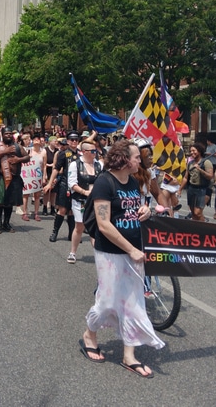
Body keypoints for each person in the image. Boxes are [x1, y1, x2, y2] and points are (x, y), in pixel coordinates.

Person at [78, 139, 164, 378]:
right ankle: (89, 335)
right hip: (110, 252)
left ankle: (129, 356)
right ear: (125, 160)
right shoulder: (104, 183)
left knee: (133, 303)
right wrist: (131, 250)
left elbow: (135, 208)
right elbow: (104, 224)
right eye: (136, 157)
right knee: (107, 302)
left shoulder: (134, 182)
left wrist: (145, 210)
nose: (140, 161)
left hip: (134, 249)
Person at [66, 139, 102, 264]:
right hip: (80, 200)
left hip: (96, 200)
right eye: (92, 151)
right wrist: (85, 192)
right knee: (79, 226)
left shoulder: (99, 164)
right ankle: (73, 252)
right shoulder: (75, 164)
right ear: (84, 151)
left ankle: (99, 253)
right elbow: (72, 183)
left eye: (95, 150)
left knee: (96, 227)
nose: (95, 153)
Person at [0, 127, 29, 234]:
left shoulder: (18, 147)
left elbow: (27, 157)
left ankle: (6, 223)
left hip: (14, 178)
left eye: (10, 133)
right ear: (2, 135)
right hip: (0, 177)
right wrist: (4, 152)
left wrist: (18, 159)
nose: (8, 135)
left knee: (10, 202)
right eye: (6, 133)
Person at [44, 131, 80, 242]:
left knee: (73, 211)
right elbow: (56, 169)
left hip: (77, 186)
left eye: (76, 140)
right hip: (65, 184)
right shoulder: (63, 154)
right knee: (62, 210)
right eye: (72, 140)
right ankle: (55, 232)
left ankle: (72, 234)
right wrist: (50, 183)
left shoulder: (81, 154)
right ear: (68, 141)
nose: (74, 142)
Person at [179, 142, 213, 222]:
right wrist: (180, 189)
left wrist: (200, 169)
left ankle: (204, 225)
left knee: (198, 213)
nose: (192, 153)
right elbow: (186, 178)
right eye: (191, 151)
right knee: (193, 213)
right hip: (191, 188)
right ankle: (196, 227)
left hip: (203, 189)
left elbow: (210, 176)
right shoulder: (190, 163)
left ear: (199, 151)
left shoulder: (206, 162)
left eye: (194, 151)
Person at [21, 134, 47, 222]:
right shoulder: (28, 150)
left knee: (37, 195)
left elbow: (44, 165)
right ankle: (24, 212)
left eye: (38, 139)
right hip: (28, 176)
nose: (36, 140)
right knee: (26, 194)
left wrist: (44, 176)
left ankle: (36, 213)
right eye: (34, 139)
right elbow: (23, 161)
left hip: (38, 176)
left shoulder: (43, 152)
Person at [42, 136, 58, 216]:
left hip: (54, 172)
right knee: (46, 191)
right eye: (55, 141)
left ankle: (52, 208)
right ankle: (44, 207)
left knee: (53, 192)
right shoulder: (45, 150)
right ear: (50, 142)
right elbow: (44, 163)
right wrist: (44, 175)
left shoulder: (57, 151)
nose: (56, 143)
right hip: (47, 172)